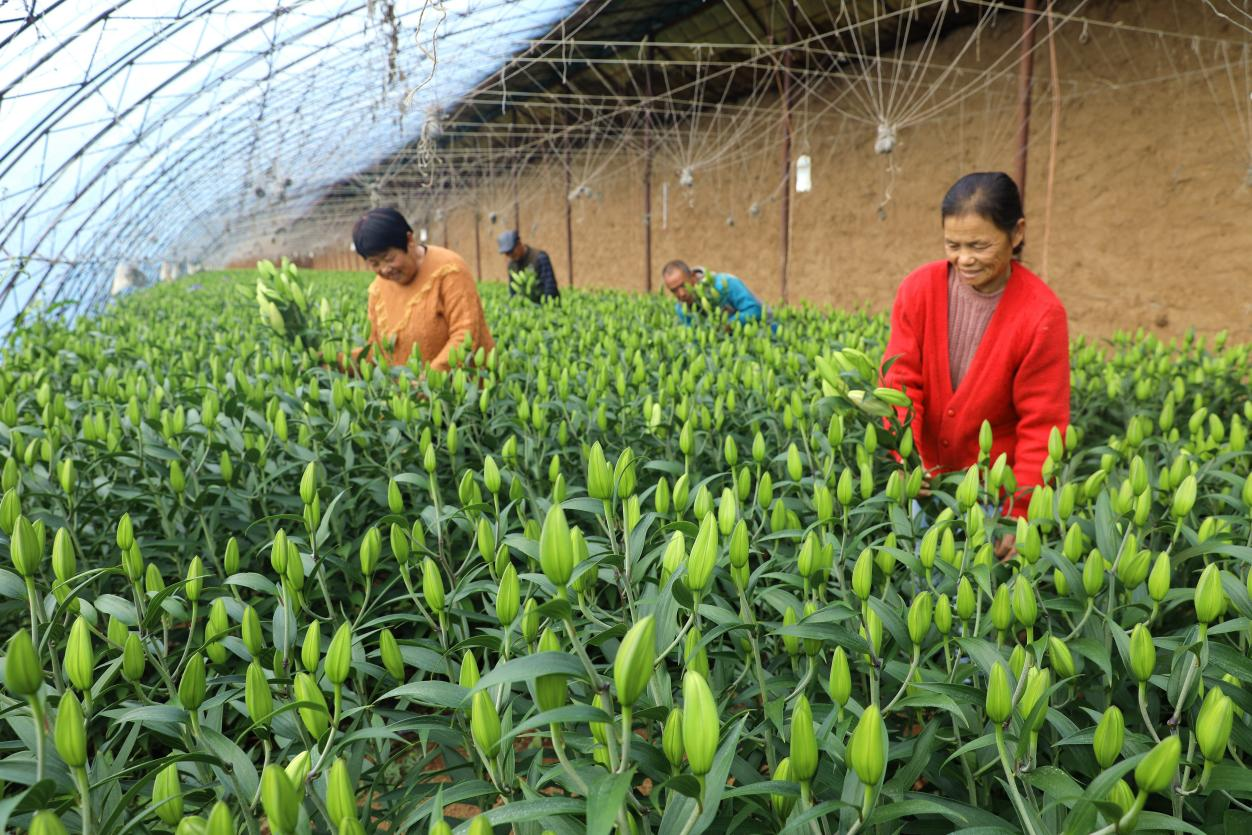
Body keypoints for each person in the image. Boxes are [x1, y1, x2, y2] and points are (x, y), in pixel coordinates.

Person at [881, 172, 1069, 557]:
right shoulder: (918, 290)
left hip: (993, 497)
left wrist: (1023, 513)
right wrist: (905, 460)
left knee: (979, 604)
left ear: (1016, 234)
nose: (964, 259)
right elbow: (900, 382)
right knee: (922, 592)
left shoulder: (1041, 314)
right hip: (925, 484)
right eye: (953, 244)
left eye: (979, 245)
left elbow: (1042, 423)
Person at [351, 208, 494, 372]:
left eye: (388, 259)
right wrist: (335, 361)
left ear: (409, 240)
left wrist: (426, 384)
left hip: (461, 390)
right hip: (408, 394)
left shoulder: (449, 270)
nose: (384, 269)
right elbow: (376, 350)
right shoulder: (378, 290)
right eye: (374, 263)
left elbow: (465, 334)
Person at [661, 260, 772, 329]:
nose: (681, 294)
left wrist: (728, 325)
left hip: (760, 333)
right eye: (674, 290)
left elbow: (755, 309)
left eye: (683, 285)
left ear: (693, 276)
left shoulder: (726, 284)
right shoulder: (681, 308)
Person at [498, 230, 559, 302]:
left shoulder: (539, 258)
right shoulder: (511, 266)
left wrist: (545, 308)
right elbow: (513, 291)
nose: (510, 256)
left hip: (546, 306)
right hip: (527, 309)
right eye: (507, 253)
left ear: (519, 243)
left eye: (511, 251)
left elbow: (550, 287)